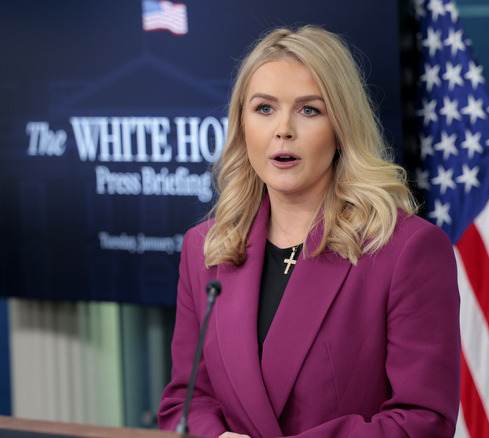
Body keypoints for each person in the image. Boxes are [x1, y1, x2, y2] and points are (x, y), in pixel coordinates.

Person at [158, 25, 460, 438]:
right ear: (241, 125)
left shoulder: (408, 249)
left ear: (341, 128)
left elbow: (423, 421)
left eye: (309, 110)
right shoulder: (205, 248)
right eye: (264, 108)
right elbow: (185, 401)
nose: (283, 129)